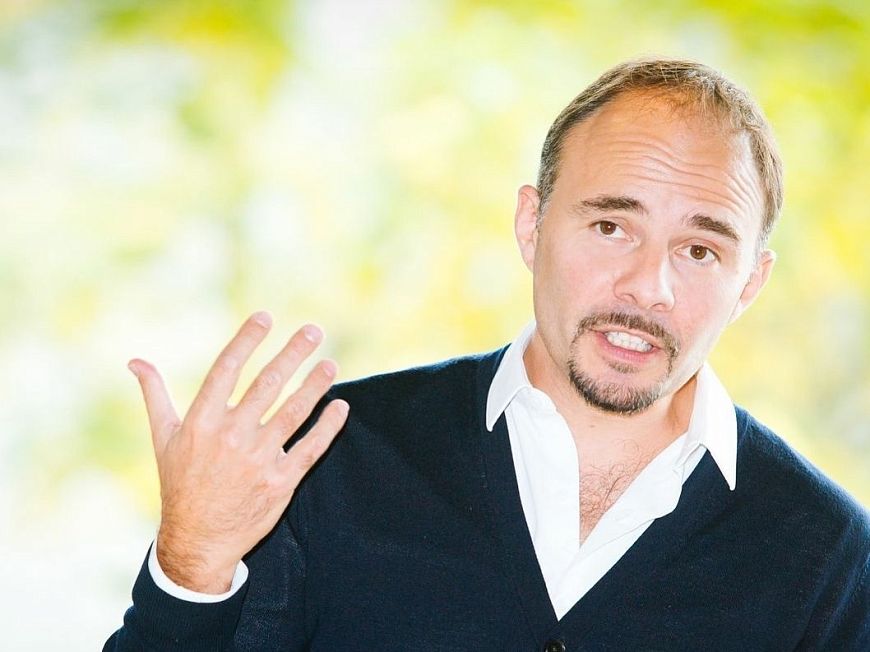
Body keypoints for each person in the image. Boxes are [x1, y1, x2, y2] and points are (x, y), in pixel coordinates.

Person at [105, 58, 869, 651]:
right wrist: (189, 566)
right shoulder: (324, 460)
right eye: (611, 227)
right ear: (532, 226)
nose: (649, 287)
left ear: (750, 283)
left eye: (700, 250)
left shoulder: (829, 556)